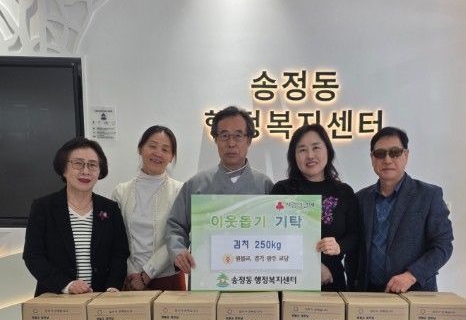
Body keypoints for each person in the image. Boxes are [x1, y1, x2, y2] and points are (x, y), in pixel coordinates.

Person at [167, 106, 273, 274]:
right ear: (215, 139)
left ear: (249, 140)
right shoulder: (196, 184)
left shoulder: (265, 185)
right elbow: (175, 226)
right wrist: (179, 251)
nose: (231, 143)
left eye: (238, 136)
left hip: (253, 274)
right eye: (224, 136)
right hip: (207, 275)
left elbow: (279, 233)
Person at [352, 126, 453, 293]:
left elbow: (443, 246)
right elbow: (354, 251)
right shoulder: (360, 199)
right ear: (372, 158)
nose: (387, 160)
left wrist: (411, 275)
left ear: (406, 155)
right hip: (367, 295)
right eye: (380, 154)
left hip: (414, 293)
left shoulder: (428, 196)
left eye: (395, 152)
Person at [23, 137, 129, 296]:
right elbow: (33, 255)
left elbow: (119, 253)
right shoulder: (43, 207)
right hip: (56, 297)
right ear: (63, 169)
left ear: (100, 171)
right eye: (78, 164)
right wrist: (67, 285)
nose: (86, 171)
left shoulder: (110, 208)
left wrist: (112, 286)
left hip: (101, 298)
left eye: (92, 165)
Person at [271, 124, 359, 292]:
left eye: (316, 147)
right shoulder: (282, 190)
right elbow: (275, 238)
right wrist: (312, 265)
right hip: (291, 280)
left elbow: (354, 235)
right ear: (294, 156)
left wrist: (339, 246)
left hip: (333, 281)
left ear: (328, 150)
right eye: (302, 150)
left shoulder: (344, 192)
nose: (310, 155)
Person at [112, 125, 184, 291]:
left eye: (165, 149)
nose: (158, 153)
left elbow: (178, 237)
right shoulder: (121, 192)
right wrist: (132, 272)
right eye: (152, 146)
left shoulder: (180, 191)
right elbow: (116, 240)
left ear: (171, 157)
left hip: (169, 278)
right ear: (140, 149)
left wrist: (147, 274)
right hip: (131, 280)